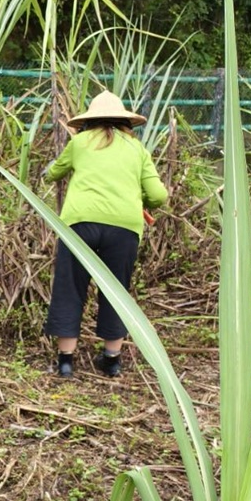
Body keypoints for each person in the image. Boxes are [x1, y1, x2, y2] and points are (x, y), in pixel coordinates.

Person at [44, 90, 169, 378]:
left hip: (79, 225)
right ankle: (111, 361)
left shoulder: (80, 142)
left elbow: (53, 173)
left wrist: (46, 175)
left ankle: (66, 362)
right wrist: (141, 201)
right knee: (116, 291)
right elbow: (158, 195)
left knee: (69, 287)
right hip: (124, 228)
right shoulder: (136, 148)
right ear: (125, 121)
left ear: (89, 121)